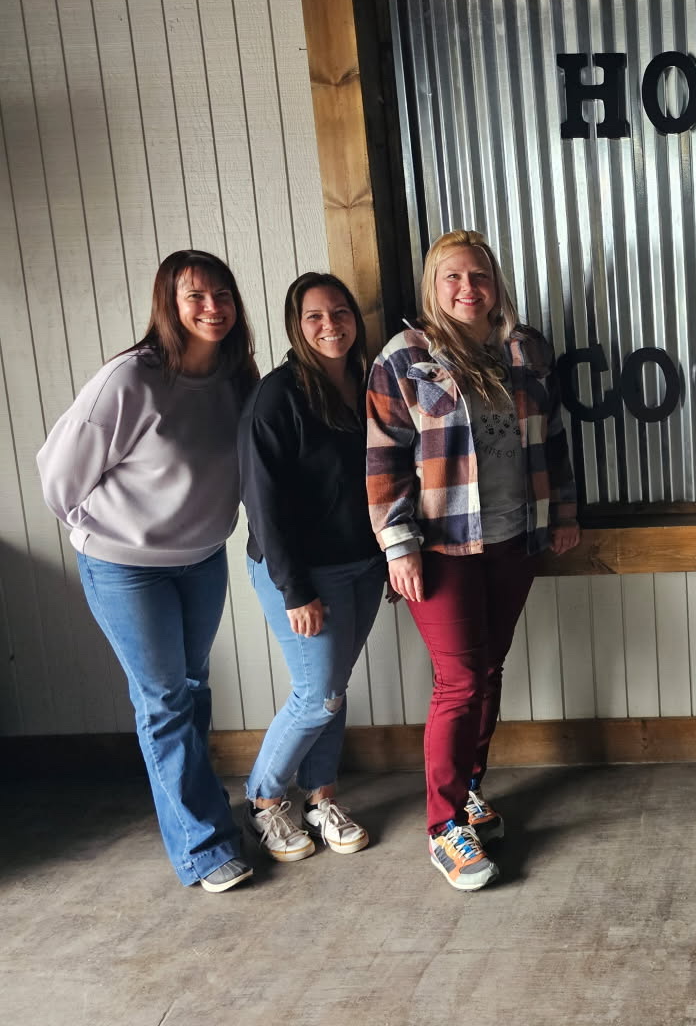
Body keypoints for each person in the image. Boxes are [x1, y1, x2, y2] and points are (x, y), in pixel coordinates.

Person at [37, 250, 259, 892]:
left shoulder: (236, 377)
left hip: (201, 560)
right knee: (163, 701)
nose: (213, 308)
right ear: (169, 304)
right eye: (196, 297)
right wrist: (107, 529)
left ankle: (205, 815)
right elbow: (59, 476)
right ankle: (204, 848)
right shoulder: (129, 379)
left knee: (191, 689)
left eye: (223, 294)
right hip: (124, 568)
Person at [366, 230, 580, 890]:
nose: (467, 288)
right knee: (458, 681)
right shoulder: (405, 358)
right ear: (434, 286)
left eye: (479, 275)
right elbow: (383, 460)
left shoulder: (527, 349)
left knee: (487, 671)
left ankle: (471, 790)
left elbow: (554, 438)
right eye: (452, 277)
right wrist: (398, 545)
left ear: (495, 283)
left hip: (515, 536)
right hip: (441, 547)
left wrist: (564, 513)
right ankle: (443, 827)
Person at [238, 273, 385, 863]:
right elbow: (263, 505)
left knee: (333, 688)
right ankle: (264, 799)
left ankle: (321, 799)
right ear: (296, 327)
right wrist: (295, 590)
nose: (331, 325)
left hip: (363, 566)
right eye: (315, 316)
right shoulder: (277, 397)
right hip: (301, 574)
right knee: (318, 694)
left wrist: (391, 556)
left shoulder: (370, 382)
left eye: (340, 312)